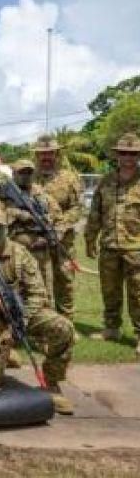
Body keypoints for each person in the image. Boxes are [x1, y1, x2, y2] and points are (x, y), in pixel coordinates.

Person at [0, 208, 75, 414]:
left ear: (7, 229)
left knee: (63, 327)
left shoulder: (21, 254)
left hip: (23, 311)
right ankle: (5, 351)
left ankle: (51, 382)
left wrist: (23, 318)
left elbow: (38, 292)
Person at [85, 132, 140, 355]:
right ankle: (111, 328)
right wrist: (90, 238)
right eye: (124, 153)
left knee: (138, 293)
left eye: (132, 154)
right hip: (109, 246)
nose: (127, 158)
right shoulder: (105, 181)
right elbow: (95, 212)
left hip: (136, 248)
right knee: (110, 291)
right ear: (117, 156)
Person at [33, 136, 83, 321]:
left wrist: (60, 228)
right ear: (37, 155)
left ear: (57, 154)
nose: (46, 157)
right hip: (36, 241)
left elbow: (77, 207)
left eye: (50, 153)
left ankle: (67, 324)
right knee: (37, 282)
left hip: (63, 241)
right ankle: (44, 324)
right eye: (42, 153)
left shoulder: (69, 178)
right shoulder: (29, 177)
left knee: (65, 281)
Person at [4, 159, 62, 307]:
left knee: (45, 293)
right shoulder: (4, 193)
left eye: (29, 172)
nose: (25, 176)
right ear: (14, 174)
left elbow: (58, 217)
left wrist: (51, 235)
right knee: (17, 291)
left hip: (41, 252)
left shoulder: (40, 193)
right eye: (21, 172)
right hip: (14, 253)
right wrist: (18, 214)